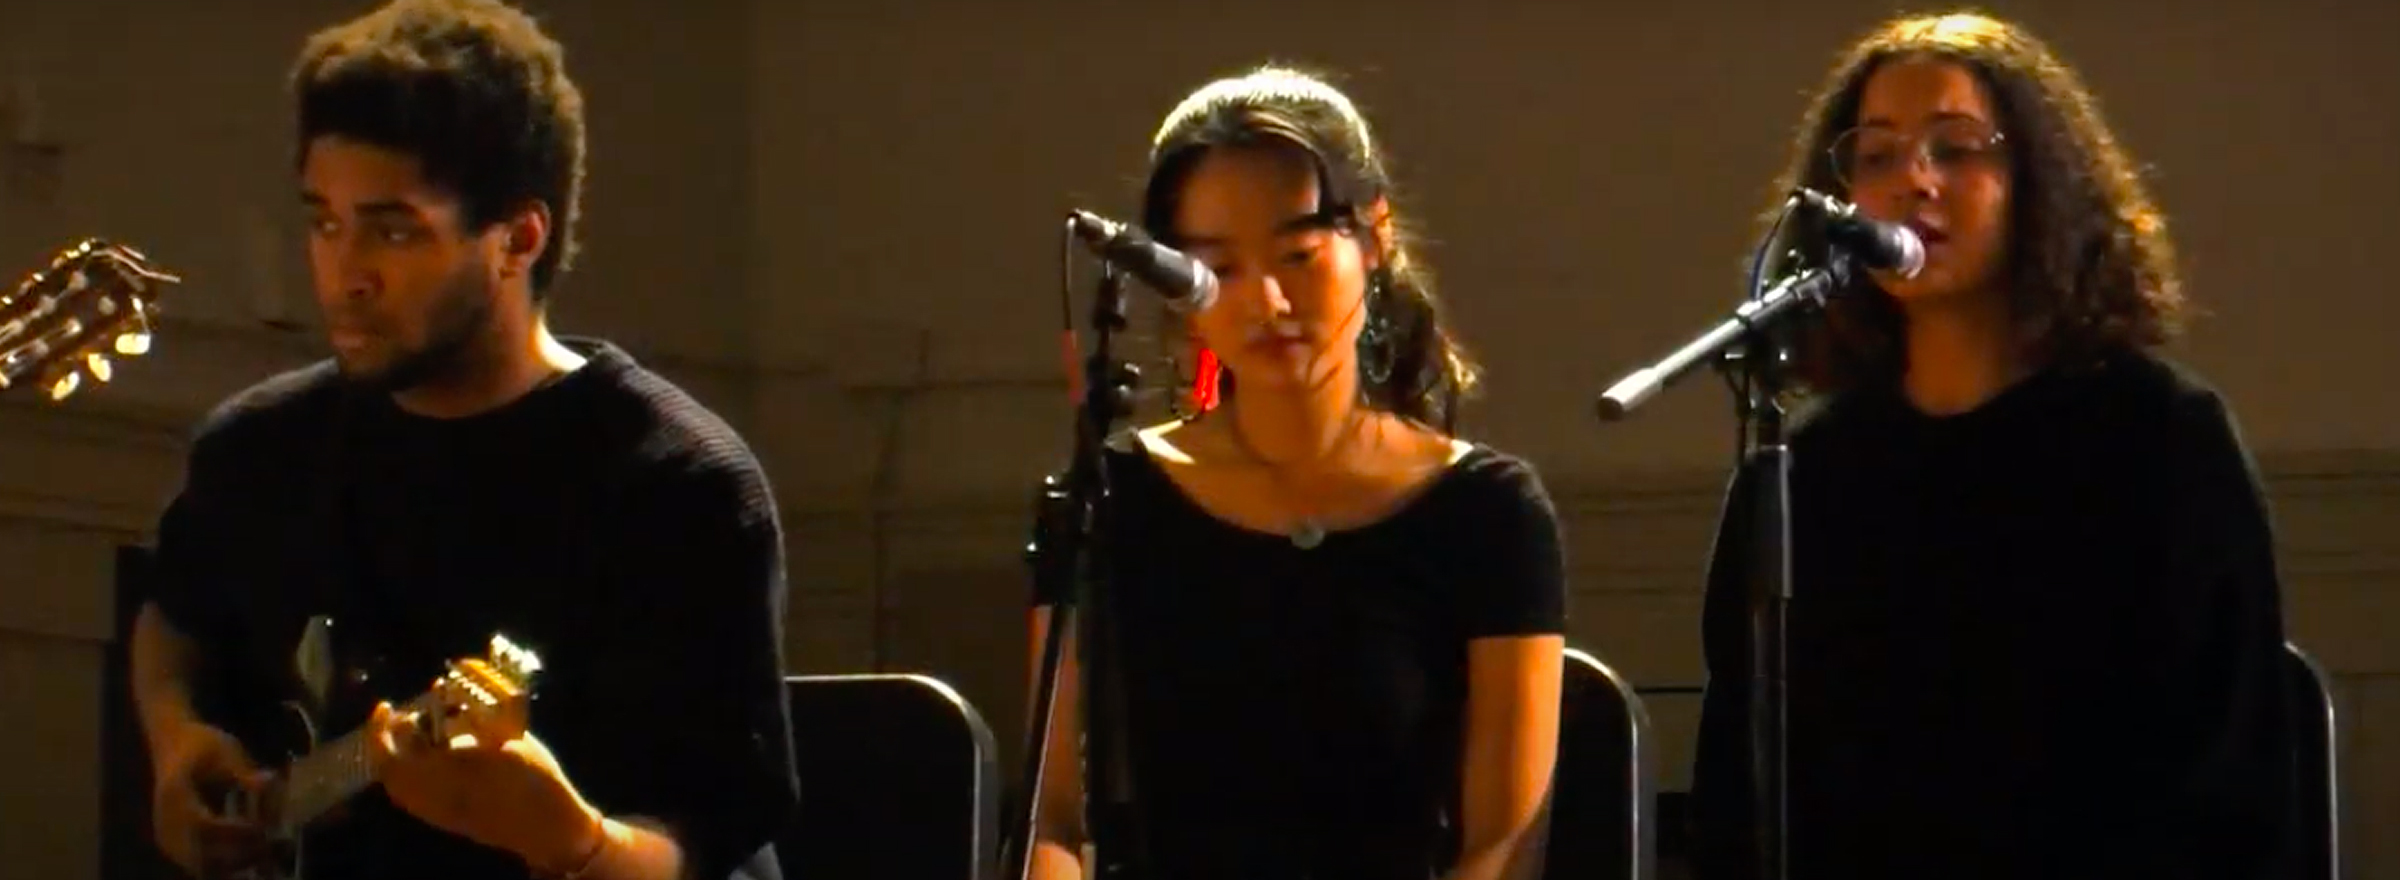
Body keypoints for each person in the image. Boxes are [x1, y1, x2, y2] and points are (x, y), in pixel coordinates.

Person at [126, 1, 799, 878]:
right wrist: (180, 743)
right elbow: (172, 621)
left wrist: (571, 842)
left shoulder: (677, 486)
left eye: (393, 229)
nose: (345, 274)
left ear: (518, 239)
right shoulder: (256, 450)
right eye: (325, 222)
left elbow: (706, 844)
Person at [1686, 11, 2296, 880]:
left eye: (1956, 148)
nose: (1914, 182)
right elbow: (1740, 795)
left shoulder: (2159, 439)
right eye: (1877, 156)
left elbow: (2228, 778)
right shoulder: (1806, 476)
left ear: (2037, 182)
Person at [1023, 66, 1568, 880]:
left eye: (1299, 255)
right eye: (1219, 269)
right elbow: (1052, 819)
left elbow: (1503, 845)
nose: (1267, 301)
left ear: (1374, 237)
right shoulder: (1111, 499)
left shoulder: (1484, 511)